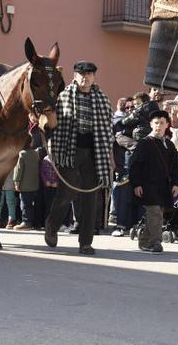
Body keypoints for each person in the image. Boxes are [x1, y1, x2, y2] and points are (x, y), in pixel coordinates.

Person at [44, 60, 113, 255]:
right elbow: (52, 123)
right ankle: (52, 225)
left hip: (94, 153)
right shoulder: (63, 97)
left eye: (90, 74)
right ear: (75, 76)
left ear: (94, 77)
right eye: (82, 74)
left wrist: (108, 155)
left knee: (90, 198)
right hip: (70, 152)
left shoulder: (102, 99)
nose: (86, 78)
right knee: (66, 194)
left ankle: (85, 242)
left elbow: (108, 129)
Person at [129, 110, 178, 252]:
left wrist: (176, 183)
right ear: (151, 124)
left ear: (167, 125)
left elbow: (175, 167)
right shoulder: (144, 143)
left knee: (158, 214)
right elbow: (135, 165)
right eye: (156, 123)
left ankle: (144, 241)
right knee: (155, 212)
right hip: (148, 185)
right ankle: (155, 242)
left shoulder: (169, 145)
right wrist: (136, 184)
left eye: (162, 123)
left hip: (164, 186)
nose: (159, 126)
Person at [10, 145, 40, 230]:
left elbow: (19, 169)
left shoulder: (22, 154)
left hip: (24, 185)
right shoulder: (36, 153)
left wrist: (16, 182)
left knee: (25, 204)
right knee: (31, 204)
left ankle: (26, 222)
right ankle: (33, 222)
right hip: (35, 184)